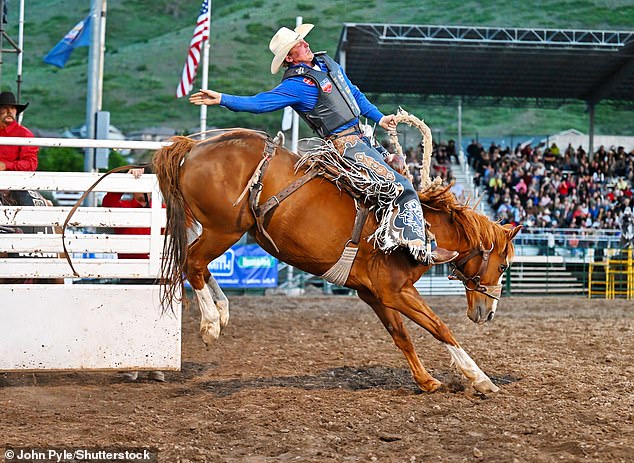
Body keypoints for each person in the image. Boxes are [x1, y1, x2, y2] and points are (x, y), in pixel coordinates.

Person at [189, 23, 457, 266]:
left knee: (400, 171)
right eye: (298, 44)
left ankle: (396, 237)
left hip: (364, 137)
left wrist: (379, 117)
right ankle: (421, 248)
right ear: (290, 58)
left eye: (302, 40)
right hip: (346, 145)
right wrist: (222, 98)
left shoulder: (328, 65)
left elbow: (353, 93)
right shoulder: (295, 85)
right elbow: (260, 103)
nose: (306, 43)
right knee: (402, 185)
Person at [102, 167, 165, 382]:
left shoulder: (162, 209)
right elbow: (108, 204)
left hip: (155, 271)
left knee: (156, 318)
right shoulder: (125, 207)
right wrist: (125, 180)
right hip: (130, 271)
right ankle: (132, 364)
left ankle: (155, 363)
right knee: (131, 318)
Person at [0, 91, 42, 207]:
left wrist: (6, 165)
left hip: (15, 183)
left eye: (13, 108)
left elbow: (31, 164)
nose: (9, 112)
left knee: (28, 209)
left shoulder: (24, 134)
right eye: (5, 108)